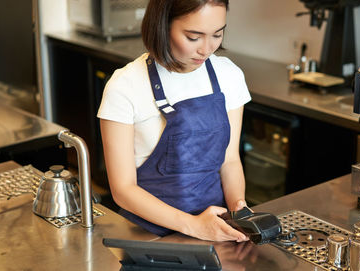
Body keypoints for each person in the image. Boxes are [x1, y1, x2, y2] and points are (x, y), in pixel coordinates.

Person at [97, 0, 251, 242]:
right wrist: (194, 225)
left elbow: (229, 161)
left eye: (217, 34)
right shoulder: (124, 86)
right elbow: (123, 190)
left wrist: (238, 211)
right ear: (162, 25)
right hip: (146, 236)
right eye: (193, 37)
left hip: (214, 231)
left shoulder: (229, 75)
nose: (207, 49)